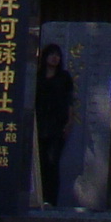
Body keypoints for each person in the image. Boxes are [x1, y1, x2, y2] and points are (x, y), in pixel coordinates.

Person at [34, 43, 76, 210]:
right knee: (41, 161)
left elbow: (70, 102)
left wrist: (69, 122)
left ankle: (52, 199)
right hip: (40, 121)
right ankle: (39, 197)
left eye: (57, 55)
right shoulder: (38, 76)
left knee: (53, 161)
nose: (55, 57)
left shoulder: (64, 77)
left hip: (57, 123)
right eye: (51, 54)